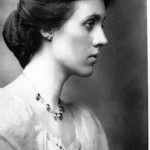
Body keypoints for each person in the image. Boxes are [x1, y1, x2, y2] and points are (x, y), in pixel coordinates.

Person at [0, 0, 112, 149]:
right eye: (90, 24)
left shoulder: (88, 127)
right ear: (48, 28)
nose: (102, 39)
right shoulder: (5, 116)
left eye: (101, 26)